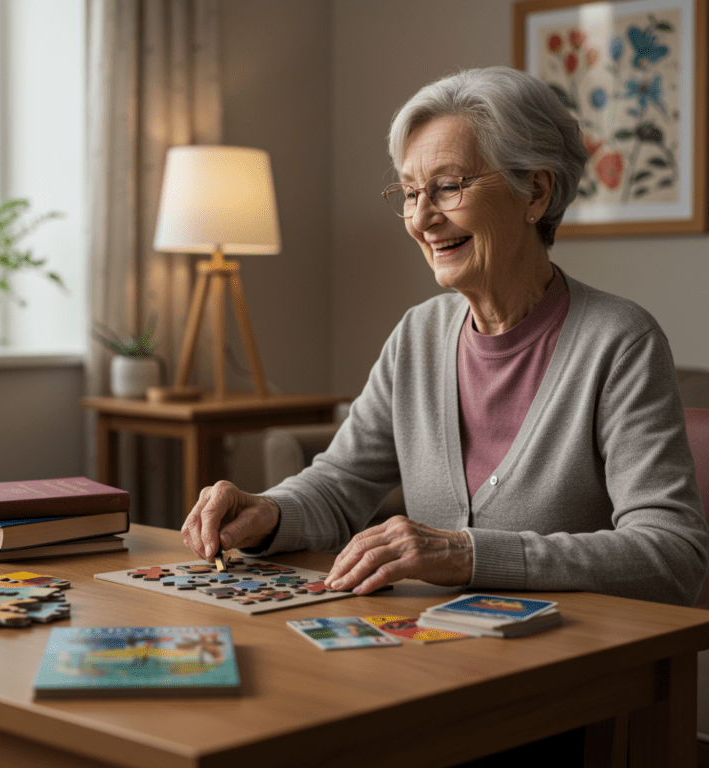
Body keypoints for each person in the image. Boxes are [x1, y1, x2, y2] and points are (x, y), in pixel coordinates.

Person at [181, 65, 708, 608]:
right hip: (434, 653)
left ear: (535, 191)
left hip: (570, 671)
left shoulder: (619, 342)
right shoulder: (419, 336)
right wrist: (269, 511)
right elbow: (338, 486)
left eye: (448, 187)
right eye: (410, 193)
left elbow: (673, 555)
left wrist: (468, 554)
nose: (422, 219)